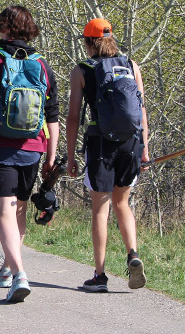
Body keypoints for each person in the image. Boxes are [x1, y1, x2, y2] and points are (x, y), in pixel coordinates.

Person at [0, 6, 60, 302]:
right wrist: (51, 156)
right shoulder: (42, 65)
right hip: (33, 147)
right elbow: (52, 115)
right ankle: (9, 266)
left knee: (4, 210)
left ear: (4, 28)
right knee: (18, 209)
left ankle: (19, 272)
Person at [66, 18, 150, 292]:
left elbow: (74, 117)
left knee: (100, 208)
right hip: (131, 143)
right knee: (122, 202)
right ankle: (133, 254)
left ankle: (100, 275)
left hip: (100, 145)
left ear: (89, 43)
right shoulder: (131, 65)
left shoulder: (82, 70)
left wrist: (70, 156)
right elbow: (141, 110)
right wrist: (145, 151)